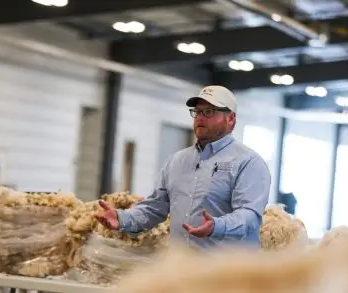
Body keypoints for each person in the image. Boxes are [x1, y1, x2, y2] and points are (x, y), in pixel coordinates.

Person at [96, 85, 271, 249]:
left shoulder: (248, 163)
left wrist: (216, 226)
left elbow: (249, 216)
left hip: (226, 273)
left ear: (231, 119)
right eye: (197, 112)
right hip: (182, 270)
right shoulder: (177, 161)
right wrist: (123, 218)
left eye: (209, 111)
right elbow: (155, 208)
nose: (200, 117)